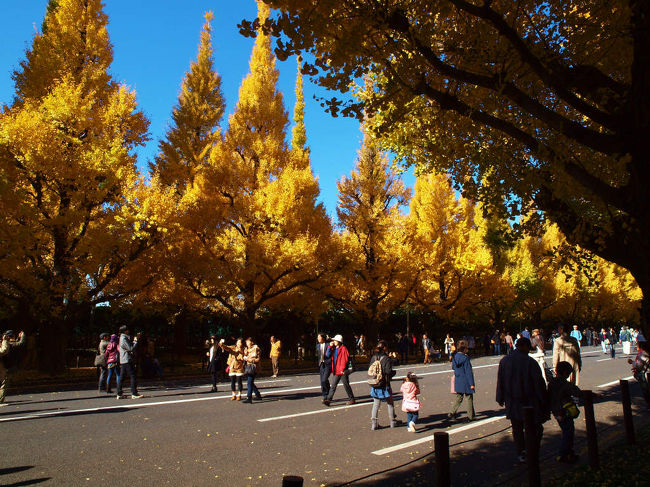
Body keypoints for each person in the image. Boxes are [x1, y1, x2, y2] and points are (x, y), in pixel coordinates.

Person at [496, 337, 550, 464]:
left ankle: (521, 452)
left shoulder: (505, 361)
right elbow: (539, 384)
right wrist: (543, 400)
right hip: (529, 400)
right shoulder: (529, 362)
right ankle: (531, 450)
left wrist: (500, 397)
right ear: (525, 346)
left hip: (512, 400)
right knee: (534, 428)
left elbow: (501, 381)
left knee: (517, 428)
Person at [548, 361, 582, 463]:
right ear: (564, 372)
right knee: (568, 432)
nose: (568, 376)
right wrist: (593, 395)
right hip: (565, 410)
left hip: (555, 411)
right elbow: (576, 392)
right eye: (568, 374)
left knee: (566, 431)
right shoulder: (564, 383)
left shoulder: (551, 383)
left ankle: (568, 453)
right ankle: (563, 454)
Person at [368, 341, 396, 430]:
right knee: (390, 403)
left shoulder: (373, 358)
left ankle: (374, 424)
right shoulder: (386, 358)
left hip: (375, 383)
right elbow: (388, 371)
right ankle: (392, 421)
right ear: (384, 348)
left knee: (376, 403)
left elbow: (370, 369)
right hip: (384, 384)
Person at [323, 334, 355, 406]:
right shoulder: (334, 348)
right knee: (333, 385)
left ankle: (352, 399)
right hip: (336, 370)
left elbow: (345, 359)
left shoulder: (343, 349)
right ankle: (328, 399)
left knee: (346, 385)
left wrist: (342, 369)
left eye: (335, 340)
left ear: (338, 341)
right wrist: (330, 346)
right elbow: (327, 355)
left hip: (342, 371)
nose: (333, 341)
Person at [448, 341, 475, 422]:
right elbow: (468, 371)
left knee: (459, 397)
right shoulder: (465, 358)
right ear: (465, 349)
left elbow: (453, 367)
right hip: (466, 380)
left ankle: (452, 412)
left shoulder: (455, 357)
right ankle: (470, 416)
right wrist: (472, 383)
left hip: (458, 379)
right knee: (469, 398)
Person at [116, 325, 142, 399]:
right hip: (126, 359)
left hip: (124, 359)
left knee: (122, 376)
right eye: (127, 330)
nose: (128, 331)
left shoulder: (123, 337)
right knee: (133, 375)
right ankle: (134, 393)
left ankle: (119, 393)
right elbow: (130, 348)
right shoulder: (123, 338)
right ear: (124, 331)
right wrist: (135, 341)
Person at [0, 330, 25, 406]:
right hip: (7, 367)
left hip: (5, 367)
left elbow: (15, 344)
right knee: (4, 385)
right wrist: (22, 337)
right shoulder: (7, 345)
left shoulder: (8, 344)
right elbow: (19, 344)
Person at [628, 340, 650, 408]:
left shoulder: (642, 354)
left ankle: (649, 404)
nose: (636, 347)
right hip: (646, 373)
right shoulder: (646, 353)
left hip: (644, 374)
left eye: (637, 346)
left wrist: (632, 362)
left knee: (646, 390)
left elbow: (638, 366)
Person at [243, 337, 262, 403]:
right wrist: (245, 354)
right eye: (246, 342)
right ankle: (258, 394)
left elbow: (258, 359)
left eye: (248, 342)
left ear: (252, 342)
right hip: (248, 367)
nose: (247, 344)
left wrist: (251, 360)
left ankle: (249, 397)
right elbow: (245, 357)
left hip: (254, 367)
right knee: (250, 382)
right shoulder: (247, 349)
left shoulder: (256, 349)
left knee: (249, 382)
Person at [316, 333, 331, 401]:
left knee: (324, 379)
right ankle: (325, 395)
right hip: (321, 364)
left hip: (328, 364)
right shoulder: (318, 345)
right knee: (322, 381)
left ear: (323, 338)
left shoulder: (328, 345)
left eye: (319, 337)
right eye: (318, 337)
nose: (318, 338)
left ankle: (328, 393)